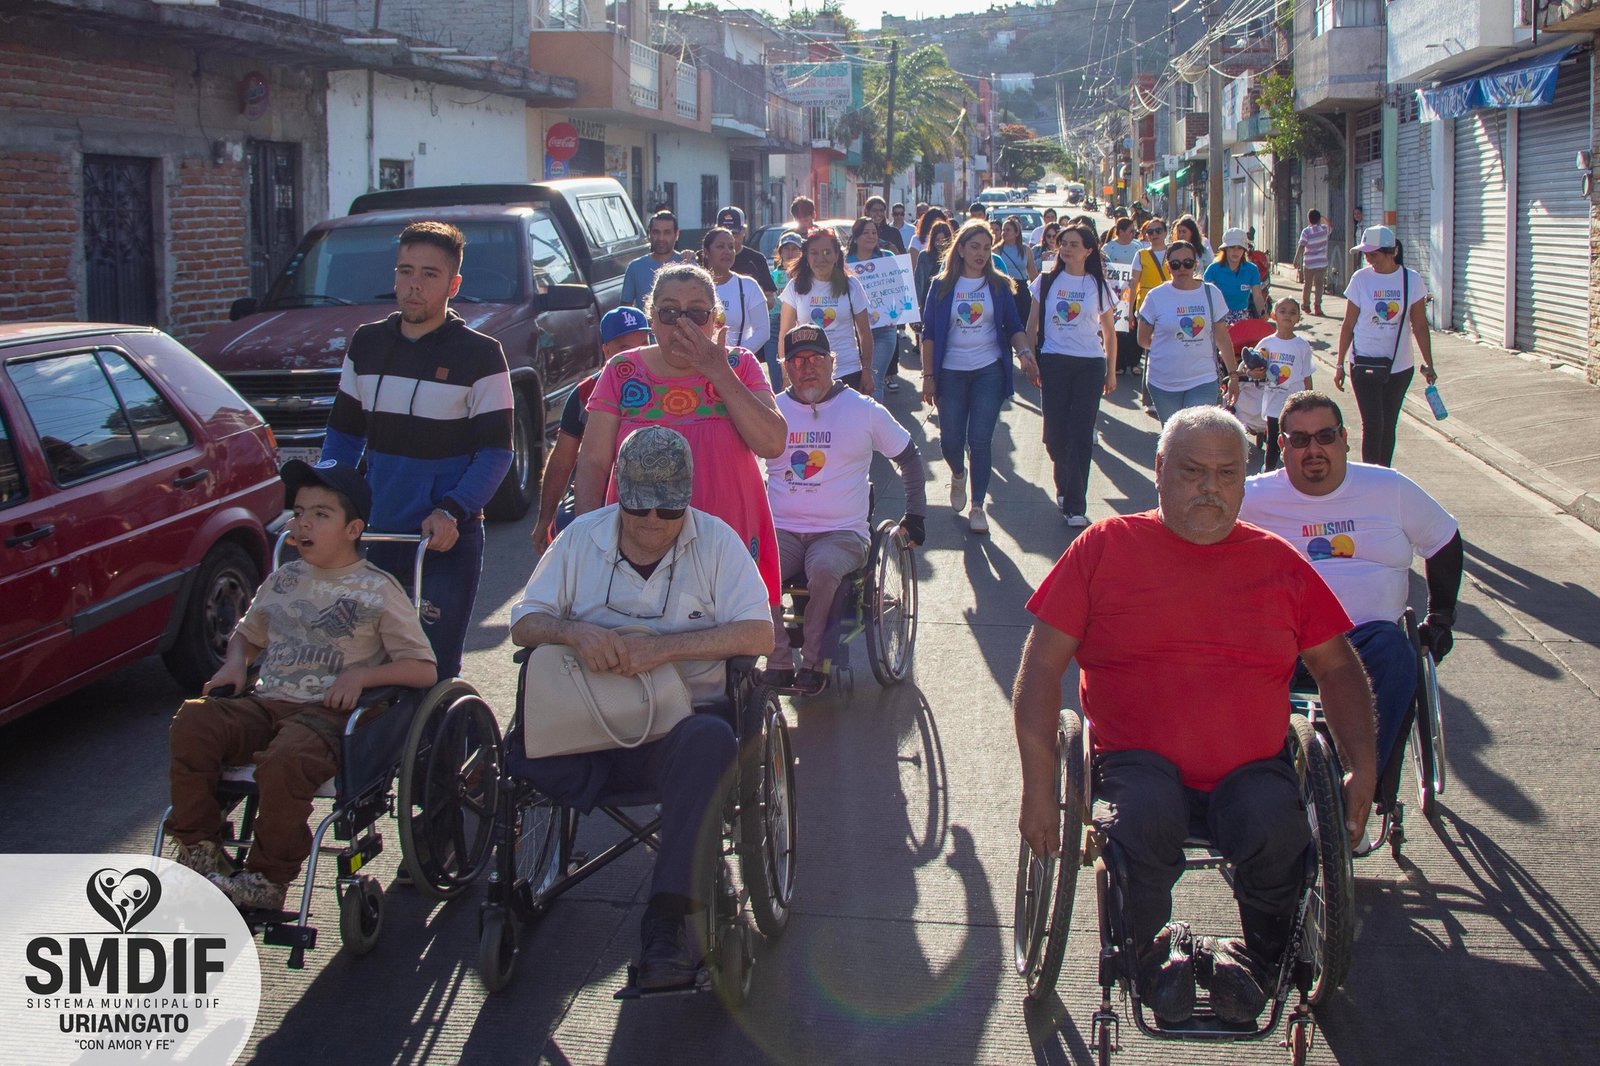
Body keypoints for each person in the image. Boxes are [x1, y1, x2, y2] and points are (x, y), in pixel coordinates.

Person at [1013, 406, 1376, 1026]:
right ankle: (1152, 957)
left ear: (1245, 478)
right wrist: (1038, 788)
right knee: (1144, 822)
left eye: (1227, 474)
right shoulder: (1104, 548)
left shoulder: (1279, 562)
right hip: (1136, 762)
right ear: (1159, 471)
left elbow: (1339, 668)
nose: (1211, 487)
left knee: (1277, 831)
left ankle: (1260, 962)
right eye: (1193, 471)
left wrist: (1362, 770)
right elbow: (1042, 668)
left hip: (1250, 766)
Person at [511, 426, 774, 992]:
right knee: (522, 751)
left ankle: (667, 918)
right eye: (639, 507)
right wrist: (575, 632)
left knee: (710, 742)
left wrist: (664, 648)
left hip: (676, 736)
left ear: (688, 498)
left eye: (668, 508)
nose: (654, 521)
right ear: (618, 494)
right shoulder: (581, 537)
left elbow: (759, 633)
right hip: (586, 731)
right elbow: (524, 621)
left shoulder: (717, 542)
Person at [167, 460, 437, 909]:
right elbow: (247, 636)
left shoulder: (378, 590)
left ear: (353, 529)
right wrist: (236, 663)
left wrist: (363, 675)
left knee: (286, 760)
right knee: (193, 722)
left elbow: (423, 668)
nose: (303, 523)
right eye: (298, 512)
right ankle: (200, 852)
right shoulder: (284, 579)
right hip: (267, 702)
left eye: (320, 514)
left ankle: (266, 879)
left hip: (325, 715)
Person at [1240, 391, 1462, 786]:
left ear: (1344, 438)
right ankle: (1267, 783)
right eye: (1300, 439)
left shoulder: (1388, 488)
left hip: (1367, 636)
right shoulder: (1251, 497)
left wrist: (1440, 617)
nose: (1314, 449)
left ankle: (1361, 784)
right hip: (1280, 637)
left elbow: (1443, 540)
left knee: (1398, 653)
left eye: (1325, 436)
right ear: (1282, 444)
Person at [323, 220, 512, 680]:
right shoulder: (367, 343)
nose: (414, 285)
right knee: (361, 661)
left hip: (443, 540)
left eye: (429, 274)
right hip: (375, 534)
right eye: (405, 271)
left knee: (430, 667)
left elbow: (496, 453)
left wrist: (452, 509)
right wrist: (324, 502)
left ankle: (436, 749)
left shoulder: (482, 355)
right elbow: (343, 438)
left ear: (454, 284)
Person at [574, 264, 787, 603]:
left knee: (732, 645)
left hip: (727, 538)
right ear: (652, 318)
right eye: (670, 312)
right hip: (640, 541)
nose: (682, 324)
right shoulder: (622, 371)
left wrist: (717, 371)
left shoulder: (740, 365)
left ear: (714, 320)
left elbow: (772, 443)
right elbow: (593, 462)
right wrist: (585, 541)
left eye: (697, 313)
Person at [763, 325, 927, 694]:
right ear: (785, 367)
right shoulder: (772, 409)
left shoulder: (863, 410)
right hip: (783, 528)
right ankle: (777, 657)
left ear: (832, 362)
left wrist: (915, 515)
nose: (807, 367)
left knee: (823, 570)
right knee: (756, 565)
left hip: (842, 532)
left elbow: (910, 458)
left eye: (816, 359)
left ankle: (813, 661)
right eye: (798, 360)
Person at [920, 219, 1038, 534]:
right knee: (951, 440)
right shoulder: (941, 285)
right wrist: (928, 375)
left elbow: (1013, 326)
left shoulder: (998, 285)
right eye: (974, 247)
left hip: (988, 371)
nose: (981, 253)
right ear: (960, 249)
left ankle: (977, 506)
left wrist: (1025, 354)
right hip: (950, 373)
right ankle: (958, 474)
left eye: (986, 248)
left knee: (980, 440)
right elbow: (929, 333)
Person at [531, 306, 653, 555]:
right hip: (598, 498)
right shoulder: (585, 392)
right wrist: (545, 519)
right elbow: (562, 459)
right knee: (564, 532)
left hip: (659, 499)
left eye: (644, 342)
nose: (636, 352)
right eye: (624, 347)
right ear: (606, 350)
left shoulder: (670, 384)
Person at [1026, 221, 1117, 527]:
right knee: (1054, 437)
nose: (1066, 248)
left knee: (1080, 435)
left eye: (1074, 244)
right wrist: (1029, 358)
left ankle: (1075, 505)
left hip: (1090, 364)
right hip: (1054, 361)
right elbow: (1032, 323)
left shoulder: (1097, 285)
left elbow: (1109, 332)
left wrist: (1111, 370)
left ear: (1088, 250)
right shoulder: (1047, 280)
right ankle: (1065, 483)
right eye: (1063, 243)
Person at [1334, 226, 1436, 469]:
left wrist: (1429, 363)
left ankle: (1384, 474)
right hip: (1364, 362)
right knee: (1373, 423)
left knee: (1389, 423)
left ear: (1391, 252)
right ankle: (1371, 476)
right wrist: (1339, 363)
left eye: (1374, 255)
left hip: (1399, 366)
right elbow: (1348, 325)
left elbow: (1420, 325)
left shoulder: (1411, 279)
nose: (1369, 260)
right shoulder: (1360, 279)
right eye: (1366, 255)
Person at [1136, 239, 1240, 424]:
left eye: (1187, 263)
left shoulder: (1211, 293)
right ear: (1168, 267)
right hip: (1163, 382)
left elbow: (1223, 338)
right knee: (1174, 438)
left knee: (1196, 433)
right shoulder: (1155, 297)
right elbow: (1143, 339)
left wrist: (1233, 376)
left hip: (1203, 379)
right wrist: (1169, 346)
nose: (1182, 268)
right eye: (1175, 264)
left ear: (1196, 264)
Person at [777, 228, 874, 394]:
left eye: (827, 252)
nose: (821, 258)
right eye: (814, 253)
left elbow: (865, 332)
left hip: (848, 369)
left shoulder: (851, 285)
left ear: (836, 256)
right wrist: (786, 375)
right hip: (807, 372)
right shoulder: (794, 287)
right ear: (806, 256)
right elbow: (785, 335)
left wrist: (867, 370)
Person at [1237, 297, 1315, 472]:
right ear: (1274, 315)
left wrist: (1310, 402)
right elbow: (1250, 367)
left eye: (1293, 312)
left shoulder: (1302, 346)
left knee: (1295, 440)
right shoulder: (1267, 343)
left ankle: (1295, 472)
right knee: (1273, 441)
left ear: (1299, 318)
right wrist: (1252, 372)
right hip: (1273, 402)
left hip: (1295, 403)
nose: (1287, 315)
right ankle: (1269, 473)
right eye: (1283, 311)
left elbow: (1307, 376)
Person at [844, 216, 901, 401]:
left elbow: (900, 291)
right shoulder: (844, 263)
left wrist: (896, 314)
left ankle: (875, 428)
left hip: (884, 330)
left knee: (873, 381)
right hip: (853, 334)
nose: (871, 236)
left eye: (874, 232)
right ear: (856, 236)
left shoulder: (887, 258)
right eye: (866, 232)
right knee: (853, 384)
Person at [701, 226, 770, 359]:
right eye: (720, 246)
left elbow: (763, 331)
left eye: (731, 247)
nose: (727, 251)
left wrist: (736, 355)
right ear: (706, 252)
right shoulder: (696, 286)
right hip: (703, 363)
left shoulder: (748, 286)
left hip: (739, 364)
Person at [1101, 217, 1146, 377]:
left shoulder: (1137, 247)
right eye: (1130, 231)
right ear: (1120, 232)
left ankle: (1133, 362)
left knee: (1132, 327)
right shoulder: (1109, 247)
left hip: (1131, 291)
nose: (1133, 233)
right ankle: (1118, 363)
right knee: (1117, 328)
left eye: (1134, 231)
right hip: (1115, 293)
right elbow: (1104, 268)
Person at [622, 210, 693, 308]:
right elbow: (625, 311)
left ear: (676, 234)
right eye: (656, 232)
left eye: (667, 233)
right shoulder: (635, 268)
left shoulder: (688, 264)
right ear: (649, 233)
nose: (661, 238)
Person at [763, 233, 805, 390]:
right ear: (779, 252)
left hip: (799, 323)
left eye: (795, 249)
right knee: (776, 373)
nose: (790, 252)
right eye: (786, 248)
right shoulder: (771, 275)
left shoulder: (806, 276)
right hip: (774, 325)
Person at [716, 206, 778, 307]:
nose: (729, 239)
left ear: (744, 231)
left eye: (734, 234)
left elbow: (771, 300)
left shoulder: (757, 259)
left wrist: (754, 299)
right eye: (724, 234)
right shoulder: (705, 257)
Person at [1204, 228, 1266, 322]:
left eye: (1240, 248)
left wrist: (1262, 313)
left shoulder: (1252, 269)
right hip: (1217, 317)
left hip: (1243, 318)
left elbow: (1257, 296)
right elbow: (1205, 296)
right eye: (1232, 247)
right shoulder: (1213, 269)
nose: (1235, 251)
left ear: (1244, 250)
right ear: (1225, 249)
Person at [1295, 209, 1331, 316]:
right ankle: (1317, 306)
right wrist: (1323, 217)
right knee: (1319, 285)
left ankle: (1306, 305)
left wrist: (1296, 259)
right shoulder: (1324, 229)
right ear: (1319, 219)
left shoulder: (1306, 232)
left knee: (1308, 284)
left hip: (1309, 263)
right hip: (1322, 263)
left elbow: (1301, 246)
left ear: (1308, 219)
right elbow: (1330, 224)